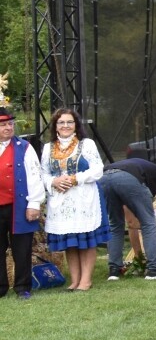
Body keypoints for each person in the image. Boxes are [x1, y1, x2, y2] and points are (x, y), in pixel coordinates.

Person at [40, 108, 108, 292]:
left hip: (84, 197)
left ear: (76, 125)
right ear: (55, 126)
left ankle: (86, 281)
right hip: (60, 201)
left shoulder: (86, 144)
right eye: (61, 122)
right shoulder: (48, 148)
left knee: (86, 240)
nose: (66, 126)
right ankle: (75, 280)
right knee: (70, 242)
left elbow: (97, 169)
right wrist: (53, 181)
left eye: (70, 122)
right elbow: (43, 173)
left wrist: (75, 178)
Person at [101, 156, 156, 281]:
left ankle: (114, 271)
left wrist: (139, 257)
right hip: (128, 178)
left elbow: (131, 221)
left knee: (115, 225)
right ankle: (154, 269)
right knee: (149, 223)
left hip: (104, 177)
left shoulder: (142, 170)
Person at [0, 101, 44, 298]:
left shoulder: (24, 147)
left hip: (18, 206)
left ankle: (22, 287)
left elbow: (35, 176)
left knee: (22, 248)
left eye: (10, 124)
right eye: (3, 125)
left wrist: (34, 204)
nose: (8, 128)